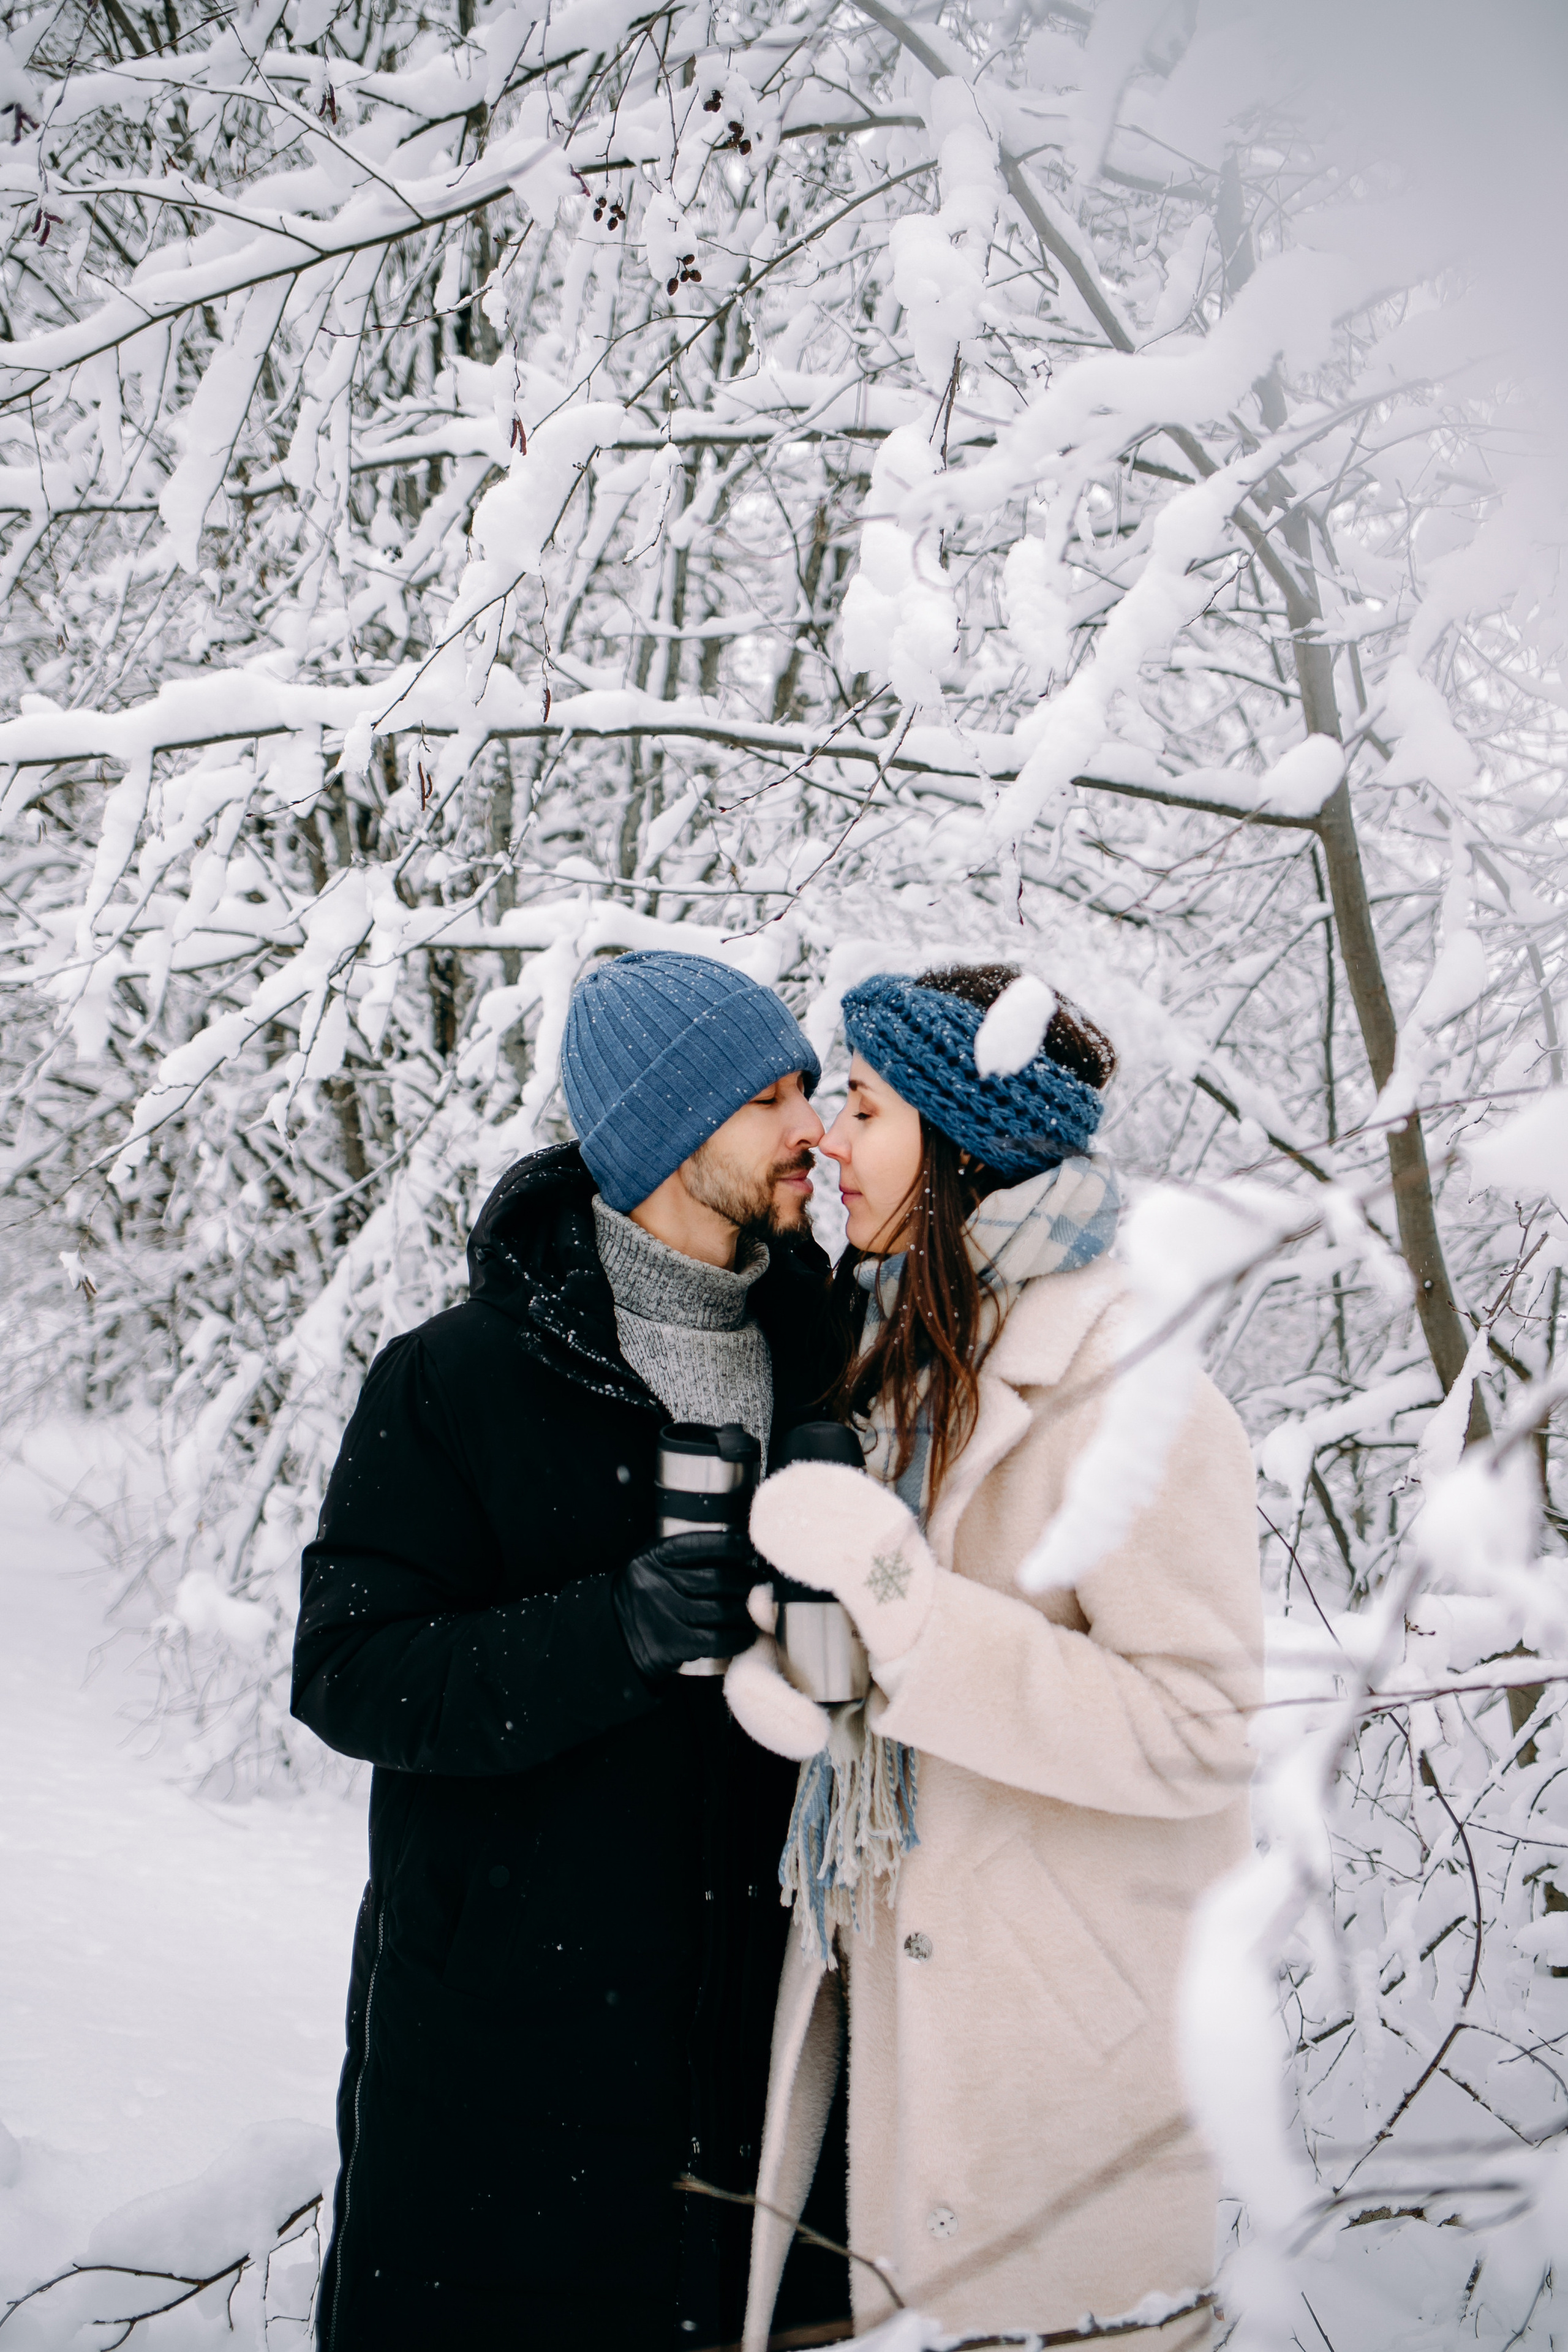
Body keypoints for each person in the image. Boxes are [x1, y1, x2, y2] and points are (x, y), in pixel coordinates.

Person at [291, 949, 853, 2352]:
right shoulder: (457, 1378)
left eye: (811, 1089)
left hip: (769, 2050)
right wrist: (610, 1628)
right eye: (770, 1097)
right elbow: (349, 1671)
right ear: (669, 1129)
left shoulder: (833, 1363)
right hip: (509, 2063)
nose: (812, 1128)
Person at [726, 962, 1264, 2350]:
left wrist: (904, 1611)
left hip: (1042, 2063)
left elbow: (1203, 1727)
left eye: (861, 1104)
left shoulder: (1132, 1389)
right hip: (875, 2038)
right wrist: (805, 1669)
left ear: (958, 1144)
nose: (826, 1137)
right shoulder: (898, 1357)